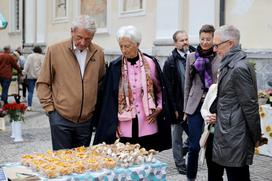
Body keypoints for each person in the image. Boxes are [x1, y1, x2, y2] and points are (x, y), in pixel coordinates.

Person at [93, 25, 172, 151]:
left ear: (137, 44)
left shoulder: (151, 63)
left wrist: (159, 108)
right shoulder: (115, 66)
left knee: (147, 159)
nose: (123, 50)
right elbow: (109, 100)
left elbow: (160, 89)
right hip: (124, 124)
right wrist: (113, 125)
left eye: (127, 46)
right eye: (121, 46)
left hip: (147, 122)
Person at [36, 15, 106, 150]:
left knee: (81, 164)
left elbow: (100, 83)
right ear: (72, 31)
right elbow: (43, 82)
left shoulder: (99, 53)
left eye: (88, 39)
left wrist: (94, 110)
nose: (83, 43)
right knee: (62, 163)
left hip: (86, 121)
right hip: (61, 118)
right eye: (79, 37)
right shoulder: (55, 50)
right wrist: (50, 110)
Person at [212, 25, 261, 181]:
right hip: (229, 131)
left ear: (230, 43)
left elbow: (250, 106)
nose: (214, 49)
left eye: (217, 45)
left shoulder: (239, 68)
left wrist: (256, 136)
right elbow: (228, 99)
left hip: (235, 135)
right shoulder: (230, 64)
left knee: (237, 176)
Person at [184, 24, 220, 181]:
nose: (205, 42)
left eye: (208, 39)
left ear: (213, 39)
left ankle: (214, 177)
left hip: (213, 105)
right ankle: (190, 177)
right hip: (195, 104)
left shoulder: (219, 56)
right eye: (202, 39)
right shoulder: (191, 56)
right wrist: (186, 108)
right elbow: (187, 83)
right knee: (194, 145)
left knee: (211, 145)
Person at [163, 30, 195, 175]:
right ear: (175, 43)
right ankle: (180, 164)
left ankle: (182, 151)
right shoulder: (170, 62)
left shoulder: (196, 55)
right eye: (181, 40)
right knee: (177, 136)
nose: (185, 42)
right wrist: (174, 108)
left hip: (194, 104)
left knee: (197, 134)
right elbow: (168, 88)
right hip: (178, 106)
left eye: (186, 39)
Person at [23, 46, 45, 111]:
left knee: (30, 91)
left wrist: (24, 73)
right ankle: (44, 105)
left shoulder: (30, 56)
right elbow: (44, 67)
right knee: (42, 91)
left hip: (30, 76)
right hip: (40, 76)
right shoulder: (42, 56)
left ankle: (29, 106)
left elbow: (26, 65)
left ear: (34, 50)